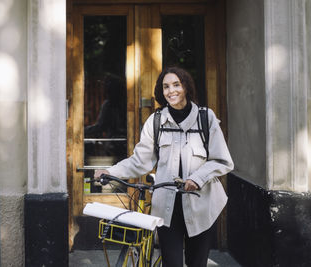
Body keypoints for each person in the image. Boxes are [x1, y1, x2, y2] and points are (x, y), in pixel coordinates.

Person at [94, 66, 234, 267]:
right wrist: (110, 171)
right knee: (172, 263)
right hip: (167, 207)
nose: (171, 91)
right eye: (166, 86)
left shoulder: (206, 117)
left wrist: (197, 178)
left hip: (202, 205)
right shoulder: (156, 121)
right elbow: (140, 160)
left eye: (176, 84)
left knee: (197, 263)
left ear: (186, 87)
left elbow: (222, 160)